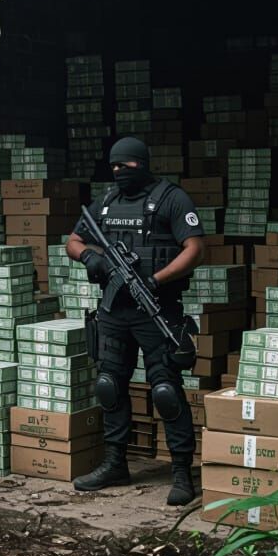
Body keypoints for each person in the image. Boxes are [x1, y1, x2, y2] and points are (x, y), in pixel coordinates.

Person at [66, 136, 206, 505]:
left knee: (166, 391)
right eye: (113, 165)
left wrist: (155, 280)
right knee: (109, 386)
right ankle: (115, 463)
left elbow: (195, 248)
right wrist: (89, 257)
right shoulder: (106, 202)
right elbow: (74, 240)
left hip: (157, 308)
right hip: (114, 313)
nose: (119, 171)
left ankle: (181, 472)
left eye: (125, 165)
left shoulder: (171, 198)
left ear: (142, 163)